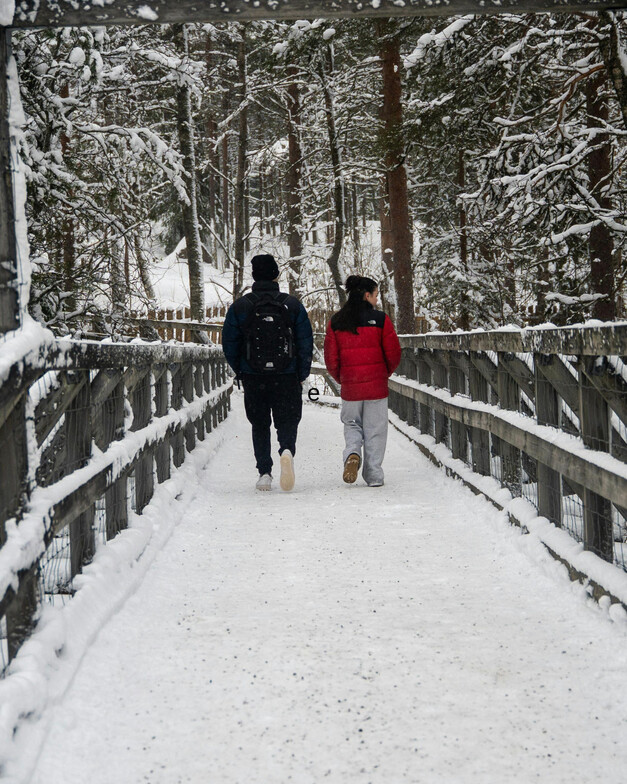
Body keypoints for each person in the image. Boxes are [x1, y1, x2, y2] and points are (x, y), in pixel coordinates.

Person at [222, 253, 313, 492]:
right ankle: (286, 450)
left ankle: (264, 472)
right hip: (287, 375)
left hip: (254, 376)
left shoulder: (241, 306)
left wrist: (241, 369)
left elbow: (229, 344)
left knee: (259, 423)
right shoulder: (291, 305)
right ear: (276, 275)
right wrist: (301, 372)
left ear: (254, 277)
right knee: (288, 418)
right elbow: (305, 341)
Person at [323, 275, 401, 487]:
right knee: (375, 430)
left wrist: (344, 378)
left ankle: (352, 454)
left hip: (351, 386)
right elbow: (394, 354)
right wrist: (383, 373)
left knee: (352, 423)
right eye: (375, 296)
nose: (377, 300)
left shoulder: (336, 322)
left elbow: (331, 359)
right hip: (376, 387)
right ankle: (374, 475)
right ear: (367, 295)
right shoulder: (381, 320)